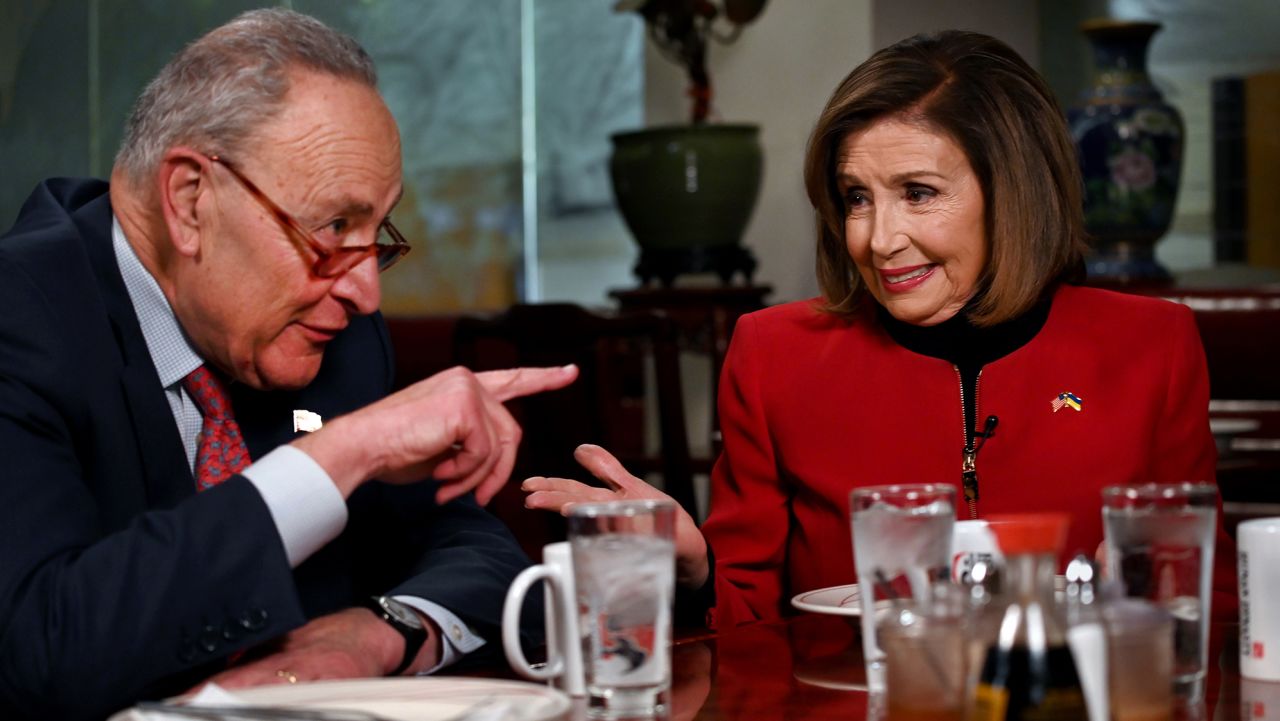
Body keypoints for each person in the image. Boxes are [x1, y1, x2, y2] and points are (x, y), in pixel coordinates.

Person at [524, 30, 1233, 630]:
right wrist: (693, 567)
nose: (878, 238)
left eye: (918, 193)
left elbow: (1220, 599)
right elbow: (744, 620)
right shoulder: (774, 355)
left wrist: (1161, 597)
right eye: (856, 198)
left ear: (1016, 192)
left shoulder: (1152, 345)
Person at [0, 9, 578, 721]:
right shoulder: (20, 318)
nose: (367, 292)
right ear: (189, 200)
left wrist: (383, 630)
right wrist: (345, 453)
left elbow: (474, 550)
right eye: (333, 228)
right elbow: (38, 646)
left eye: (377, 233)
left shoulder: (333, 337)